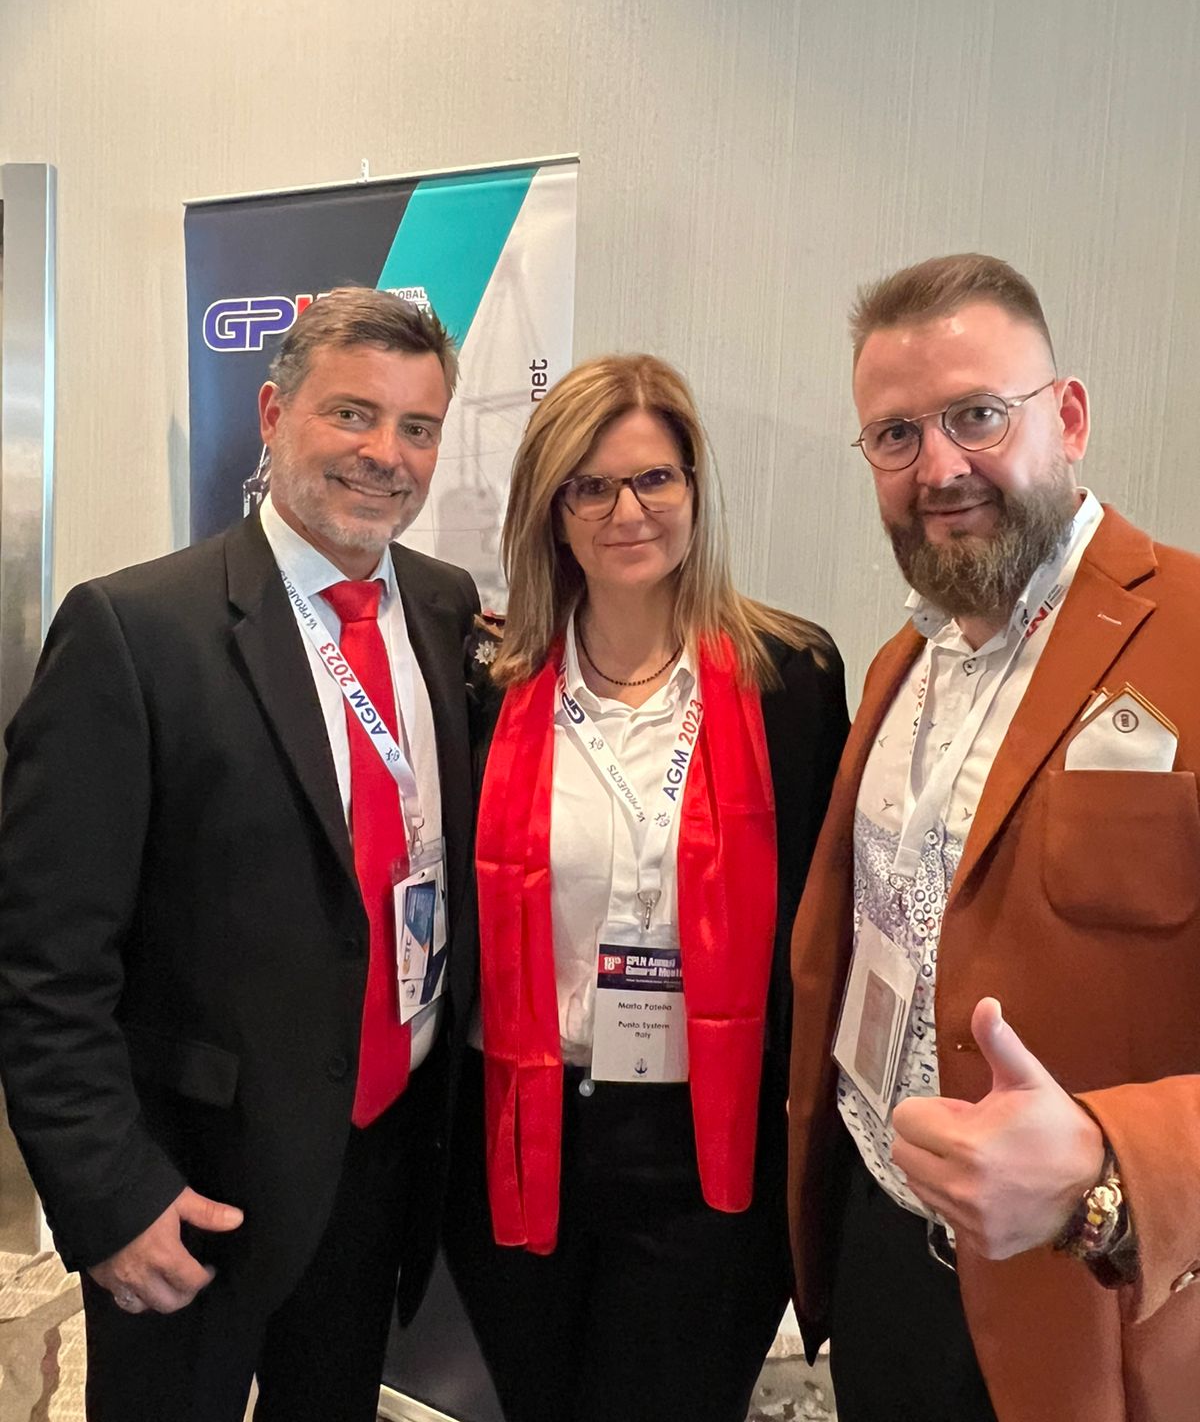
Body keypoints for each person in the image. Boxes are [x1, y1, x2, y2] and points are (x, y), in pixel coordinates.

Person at [0, 288, 480, 1421]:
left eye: (417, 426)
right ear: (273, 414)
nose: (386, 454)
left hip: (379, 1162)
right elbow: (43, 958)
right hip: (191, 1187)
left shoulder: (445, 608)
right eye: (352, 413)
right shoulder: (135, 631)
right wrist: (110, 1195)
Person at [786, 252, 1200, 1422]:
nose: (940, 468)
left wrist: (1110, 1162)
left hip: (1097, 1299)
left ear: (1067, 416)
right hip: (883, 1249)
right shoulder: (900, 663)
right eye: (896, 435)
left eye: (977, 415)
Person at [444, 353, 849, 1422]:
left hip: (709, 1145)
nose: (628, 511)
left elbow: (825, 926)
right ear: (553, 511)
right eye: (591, 486)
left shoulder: (790, 679)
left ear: (694, 489)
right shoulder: (488, 688)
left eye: (654, 478)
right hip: (520, 1135)